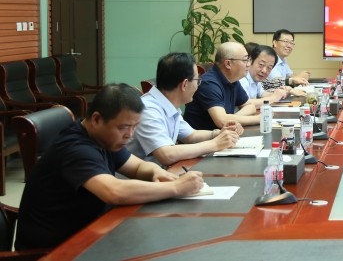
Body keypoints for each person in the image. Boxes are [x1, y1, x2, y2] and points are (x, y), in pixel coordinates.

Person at [15, 84, 205, 250]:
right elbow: (114, 191)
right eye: (123, 127)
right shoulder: (75, 148)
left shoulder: (103, 138)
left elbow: (137, 168)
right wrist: (176, 187)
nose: (129, 135)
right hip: (58, 250)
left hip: (91, 234)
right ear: (96, 119)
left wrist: (157, 173)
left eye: (134, 126)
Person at [128, 52, 243, 166]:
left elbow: (191, 136)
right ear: (184, 84)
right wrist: (215, 144)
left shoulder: (167, 104)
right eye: (197, 81)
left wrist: (220, 133)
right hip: (139, 177)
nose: (198, 86)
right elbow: (166, 155)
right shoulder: (148, 109)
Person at [184, 42, 260, 130]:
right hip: (204, 137)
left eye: (248, 60)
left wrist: (232, 118)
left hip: (224, 134)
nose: (248, 64)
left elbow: (250, 106)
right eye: (245, 60)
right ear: (228, 64)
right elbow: (221, 121)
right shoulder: (208, 83)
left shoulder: (232, 79)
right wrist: (259, 119)